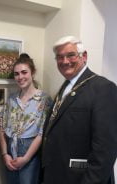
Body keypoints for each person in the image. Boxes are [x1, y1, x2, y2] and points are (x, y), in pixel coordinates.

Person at [42, 36, 117, 184]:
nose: (65, 61)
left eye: (71, 55)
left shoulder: (103, 88)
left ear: (84, 56)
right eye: (59, 57)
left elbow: (105, 151)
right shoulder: (65, 88)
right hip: (57, 175)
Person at [0, 53, 52, 184]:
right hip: (10, 152)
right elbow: (2, 128)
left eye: (24, 72)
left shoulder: (44, 100)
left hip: (30, 154)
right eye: (16, 74)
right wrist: (5, 154)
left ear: (32, 73)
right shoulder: (11, 99)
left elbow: (41, 134)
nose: (20, 77)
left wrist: (26, 158)